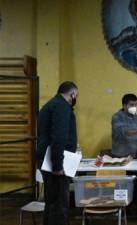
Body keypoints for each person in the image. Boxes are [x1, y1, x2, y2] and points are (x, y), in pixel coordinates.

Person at [36, 81, 78, 225]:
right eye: (76, 95)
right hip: (54, 164)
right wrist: (57, 165)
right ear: (72, 94)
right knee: (59, 205)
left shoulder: (49, 105)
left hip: (46, 160)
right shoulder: (62, 107)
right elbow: (59, 137)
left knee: (52, 203)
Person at [112, 93, 137, 158]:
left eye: (135, 105)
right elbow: (123, 132)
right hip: (120, 155)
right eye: (131, 105)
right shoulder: (117, 117)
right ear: (124, 105)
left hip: (134, 155)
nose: (134, 107)